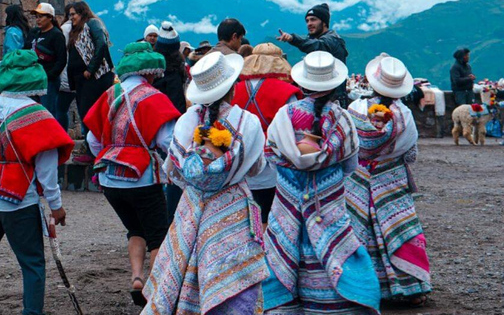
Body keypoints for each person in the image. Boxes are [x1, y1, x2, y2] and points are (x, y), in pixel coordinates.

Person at [142, 51, 268, 314]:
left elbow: (175, 173)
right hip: (232, 207)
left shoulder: (187, 121)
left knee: (181, 271)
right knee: (233, 277)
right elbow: (256, 169)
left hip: (192, 205)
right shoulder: (249, 123)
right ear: (232, 87)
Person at [0, 49, 74, 315]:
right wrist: (56, 206)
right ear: (35, 79)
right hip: (20, 202)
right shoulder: (40, 117)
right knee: (32, 263)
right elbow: (46, 170)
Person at [262, 51, 380, 314]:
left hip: (288, 194)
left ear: (303, 84)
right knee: (332, 241)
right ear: (332, 84)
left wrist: (292, 174)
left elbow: (270, 155)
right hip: (328, 195)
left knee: (287, 240)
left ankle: (285, 303)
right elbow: (350, 164)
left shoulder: (285, 115)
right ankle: (331, 301)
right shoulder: (343, 119)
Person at [84, 42, 180, 306]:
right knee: (158, 234)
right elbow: (168, 142)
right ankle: (157, 288)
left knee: (134, 229)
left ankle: (137, 277)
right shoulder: (155, 98)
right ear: (150, 72)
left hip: (109, 177)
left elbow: (93, 140)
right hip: (142, 177)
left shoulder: (108, 95)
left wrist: (113, 151)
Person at [346, 54, 431, 307]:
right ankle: (410, 286)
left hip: (359, 177)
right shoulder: (404, 114)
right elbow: (411, 154)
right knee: (399, 228)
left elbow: (350, 146)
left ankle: (363, 287)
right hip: (391, 179)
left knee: (360, 229)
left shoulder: (355, 110)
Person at [231, 42, 302, 228]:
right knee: (270, 214)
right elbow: (294, 129)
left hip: (238, 156)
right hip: (273, 161)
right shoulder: (287, 92)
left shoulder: (233, 90)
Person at [66, 1, 115, 164]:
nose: (71, 17)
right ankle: (90, 148)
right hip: (82, 81)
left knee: (92, 114)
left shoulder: (93, 23)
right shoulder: (78, 30)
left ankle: (95, 151)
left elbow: (101, 45)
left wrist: (90, 69)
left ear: (82, 13)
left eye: (73, 14)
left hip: (96, 79)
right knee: (85, 113)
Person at [277, 2, 349, 107]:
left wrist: (293, 38)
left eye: (313, 20)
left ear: (324, 22)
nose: (309, 24)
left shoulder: (332, 40)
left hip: (334, 100)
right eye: (307, 21)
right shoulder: (318, 38)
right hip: (324, 97)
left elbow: (317, 46)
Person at [151, 22, 188, 223]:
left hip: (152, 123)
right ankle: (171, 215)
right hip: (173, 124)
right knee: (172, 171)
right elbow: (178, 103)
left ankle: (158, 216)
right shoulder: (178, 69)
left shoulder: (154, 70)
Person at [24, 3, 67, 116]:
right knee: (31, 112)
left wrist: (49, 76)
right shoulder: (33, 33)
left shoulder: (56, 35)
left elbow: (61, 60)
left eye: (41, 16)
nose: (38, 20)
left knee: (46, 112)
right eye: (36, 17)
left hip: (48, 81)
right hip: (31, 78)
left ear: (50, 18)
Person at [0, 4, 30, 100]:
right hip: (22, 70)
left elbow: (11, 54)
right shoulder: (24, 30)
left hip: (11, 71)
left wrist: (2, 67)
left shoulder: (12, 31)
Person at [55, 4, 76, 132]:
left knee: (60, 109)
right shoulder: (85, 28)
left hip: (65, 76)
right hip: (81, 77)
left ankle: (62, 136)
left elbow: (61, 54)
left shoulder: (64, 29)